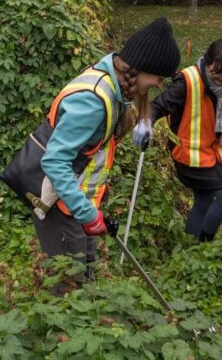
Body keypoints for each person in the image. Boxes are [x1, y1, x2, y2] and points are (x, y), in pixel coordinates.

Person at [35, 17, 180, 289]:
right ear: (137, 69)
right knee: (67, 290)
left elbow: (92, 144)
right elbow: (54, 162)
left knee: (86, 280)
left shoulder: (114, 82)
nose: (160, 84)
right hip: (63, 206)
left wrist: (142, 120)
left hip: (80, 204)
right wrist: (87, 214)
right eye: (158, 77)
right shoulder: (92, 100)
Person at [149, 38, 222, 242]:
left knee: (204, 201)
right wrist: (146, 122)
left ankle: (191, 248)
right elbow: (158, 106)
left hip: (211, 155)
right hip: (188, 156)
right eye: (217, 72)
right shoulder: (188, 81)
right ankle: (205, 242)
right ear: (207, 62)